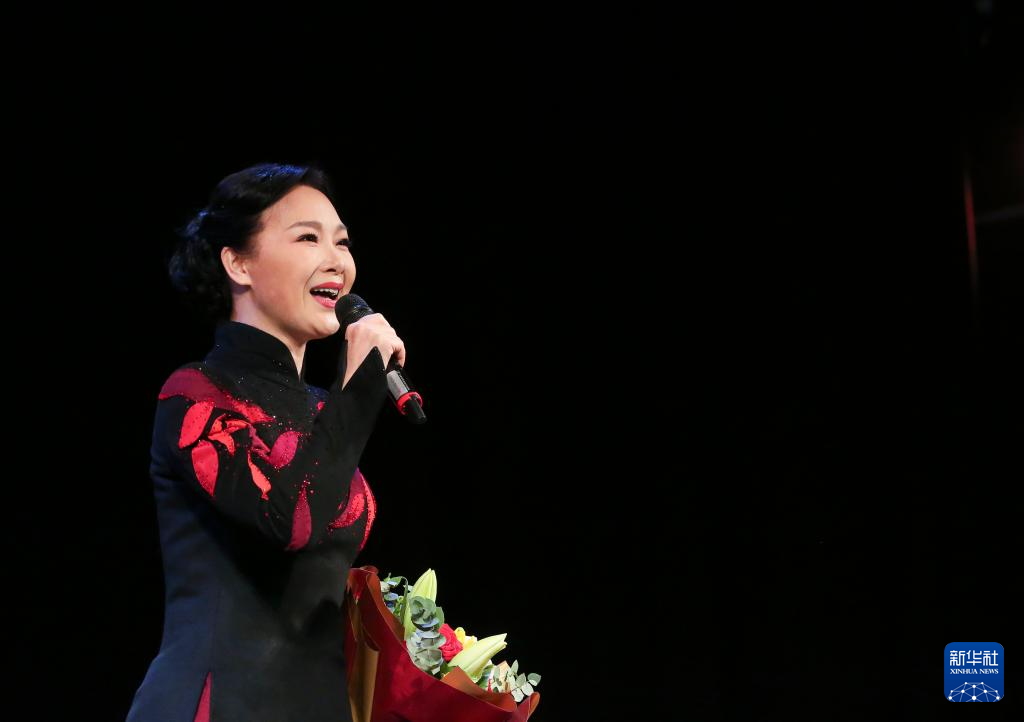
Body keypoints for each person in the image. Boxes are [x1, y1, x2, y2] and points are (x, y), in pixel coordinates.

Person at [126, 162, 406, 722]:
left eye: (342, 242)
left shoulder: (327, 409)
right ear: (238, 263)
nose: (337, 260)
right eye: (307, 238)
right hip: (219, 703)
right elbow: (291, 519)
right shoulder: (195, 393)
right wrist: (358, 392)